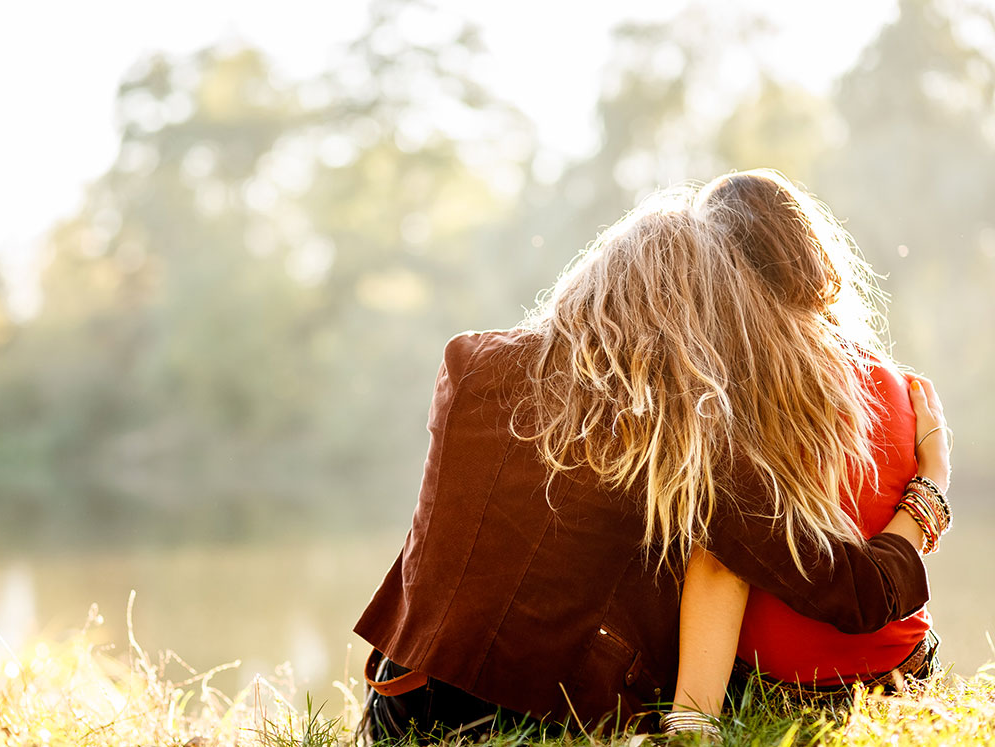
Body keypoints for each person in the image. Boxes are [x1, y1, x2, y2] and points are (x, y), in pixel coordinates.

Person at [353, 172, 950, 741]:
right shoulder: (681, 428)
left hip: (402, 703)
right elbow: (859, 594)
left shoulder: (469, 362)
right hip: (549, 721)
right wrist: (931, 487)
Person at [660, 171, 952, 739]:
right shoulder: (897, 384)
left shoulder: (734, 393)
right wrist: (936, 474)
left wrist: (693, 722)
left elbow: (721, 565)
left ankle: (694, 715)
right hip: (903, 670)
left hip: (784, 687)